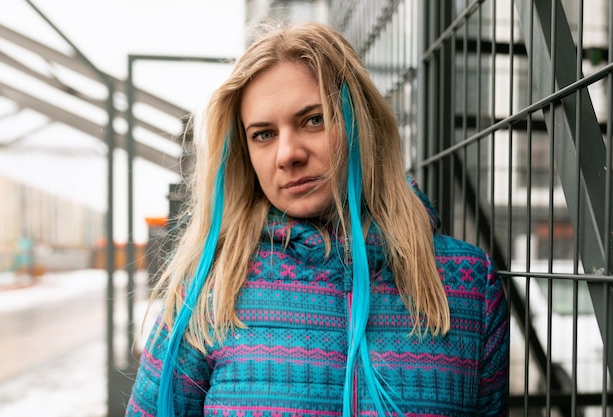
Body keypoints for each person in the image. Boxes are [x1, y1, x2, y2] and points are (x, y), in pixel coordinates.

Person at [125, 22, 509, 417]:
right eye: (263, 134)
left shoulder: (466, 286)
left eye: (313, 119)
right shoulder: (211, 288)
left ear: (363, 123)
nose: (287, 153)